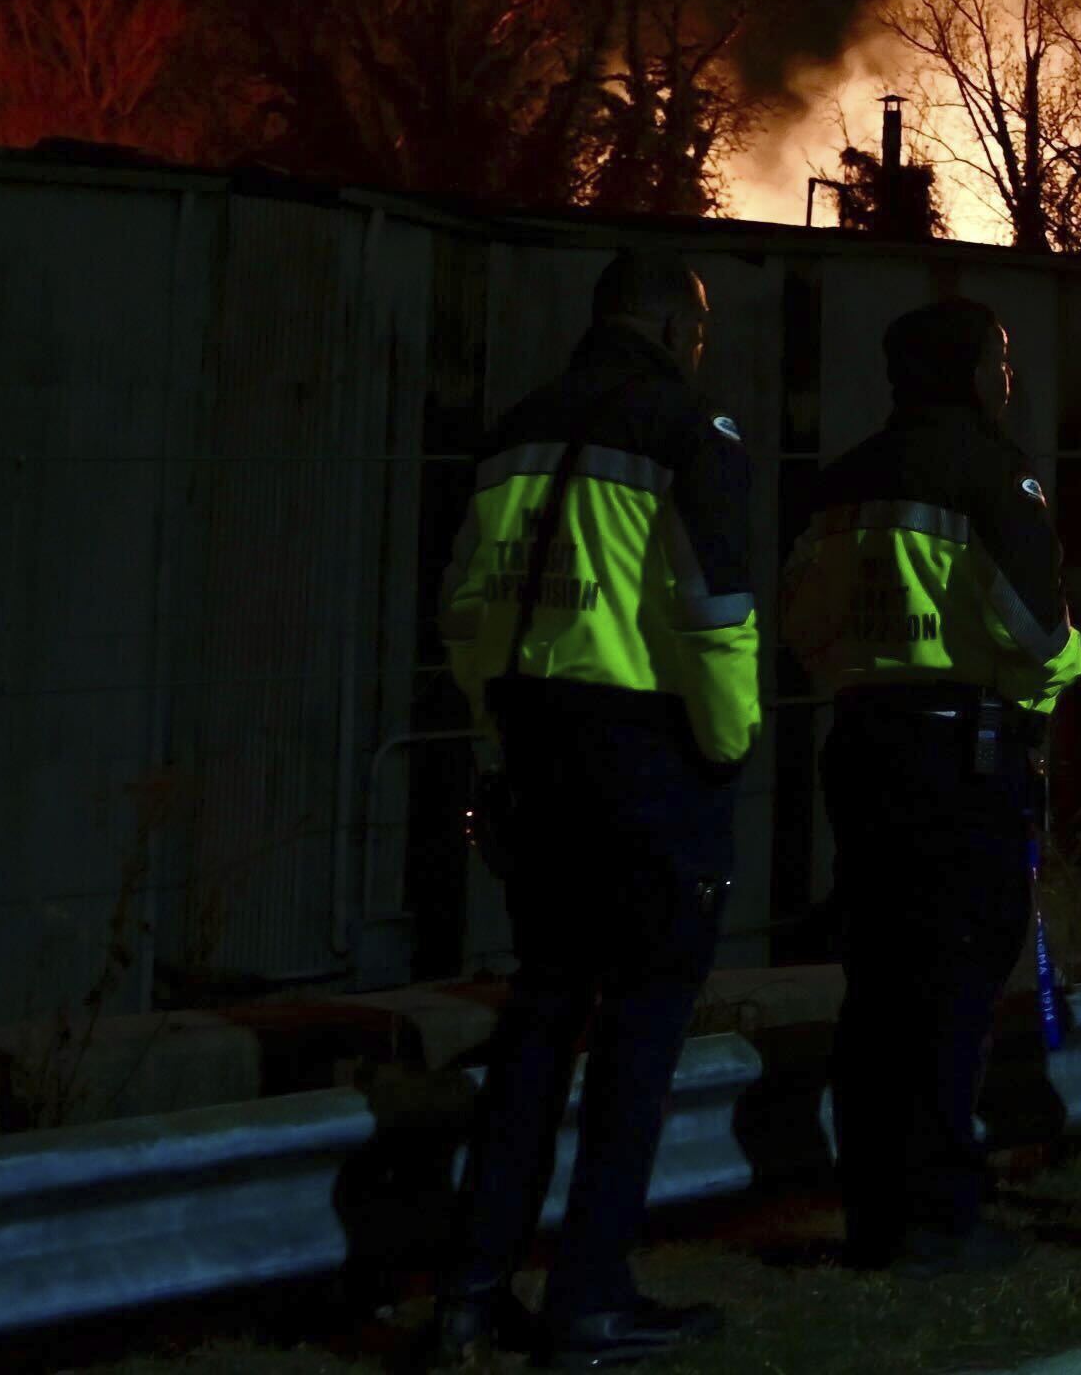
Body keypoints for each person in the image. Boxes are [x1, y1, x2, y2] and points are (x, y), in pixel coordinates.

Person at [425, 250, 760, 1371]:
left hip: (534, 749)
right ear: (671, 329)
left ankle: (470, 1294)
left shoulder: (517, 428)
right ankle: (590, 1298)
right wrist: (727, 743)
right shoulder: (687, 435)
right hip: (644, 759)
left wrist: (495, 735)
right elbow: (715, 617)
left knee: (538, 1019)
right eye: (698, 334)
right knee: (639, 1035)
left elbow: (465, 605)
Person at [778, 296, 1081, 1273]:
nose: (1009, 377)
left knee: (875, 984)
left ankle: (875, 1210)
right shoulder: (995, 478)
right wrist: (1043, 687)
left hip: (864, 750)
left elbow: (799, 626)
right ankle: (941, 1215)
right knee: (955, 985)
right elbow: (1037, 636)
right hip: (966, 758)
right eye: (998, 358)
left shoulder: (841, 482)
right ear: (962, 369)